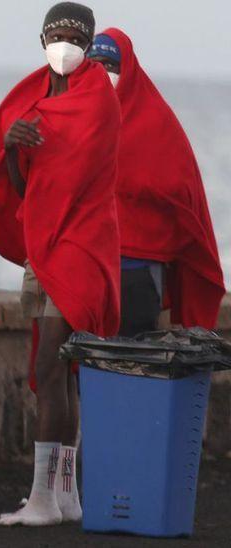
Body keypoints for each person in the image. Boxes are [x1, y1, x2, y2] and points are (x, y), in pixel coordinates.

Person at [0, 2, 121, 527]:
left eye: (72, 35)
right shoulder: (30, 98)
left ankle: (43, 497)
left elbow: (78, 182)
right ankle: (64, 497)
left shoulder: (97, 101)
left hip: (80, 247)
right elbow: (27, 190)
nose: (62, 43)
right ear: (41, 37)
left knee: (51, 368)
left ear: (87, 41)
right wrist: (13, 149)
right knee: (59, 374)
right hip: (44, 246)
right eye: (55, 33)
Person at [86, 29, 224, 336]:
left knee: (133, 363)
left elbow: (178, 187)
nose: (101, 72)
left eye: (109, 65)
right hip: (86, 267)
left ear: (128, 69)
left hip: (137, 269)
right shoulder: (78, 117)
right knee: (86, 370)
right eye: (93, 64)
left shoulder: (155, 119)